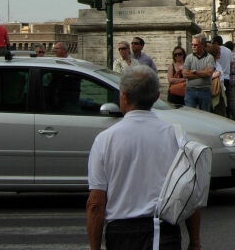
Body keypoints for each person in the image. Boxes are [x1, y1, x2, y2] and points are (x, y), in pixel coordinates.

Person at [86, 66, 201, 250]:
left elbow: (95, 203)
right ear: (156, 97)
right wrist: (195, 242)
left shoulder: (104, 140)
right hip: (163, 231)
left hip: (121, 234)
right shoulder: (176, 136)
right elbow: (190, 193)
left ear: (124, 96)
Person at [183, 34, 215, 112]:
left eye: (196, 45)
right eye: (192, 45)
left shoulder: (209, 58)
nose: (193, 47)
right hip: (190, 90)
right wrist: (203, 73)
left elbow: (209, 74)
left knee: (205, 114)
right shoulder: (189, 57)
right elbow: (185, 74)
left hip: (204, 91)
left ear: (203, 45)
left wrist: (194, 71)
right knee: (189, 114)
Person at [212, 36, 234, 119]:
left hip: (220, 78)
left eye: (213, 42)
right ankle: (227, 116)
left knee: (220, 100)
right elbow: (231, 64)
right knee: (226, 100)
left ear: (216, 42)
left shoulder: (216, 52)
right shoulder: (229, 51)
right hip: (226, 77)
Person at [208, 43, 227, 117]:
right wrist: (214, 75)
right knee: (216, 111)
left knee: (222, 110)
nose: (220, 54)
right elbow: (206, 76)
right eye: (218, 52)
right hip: (214, 89)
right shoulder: (210, 63)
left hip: (221, 89)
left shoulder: (218, 64)